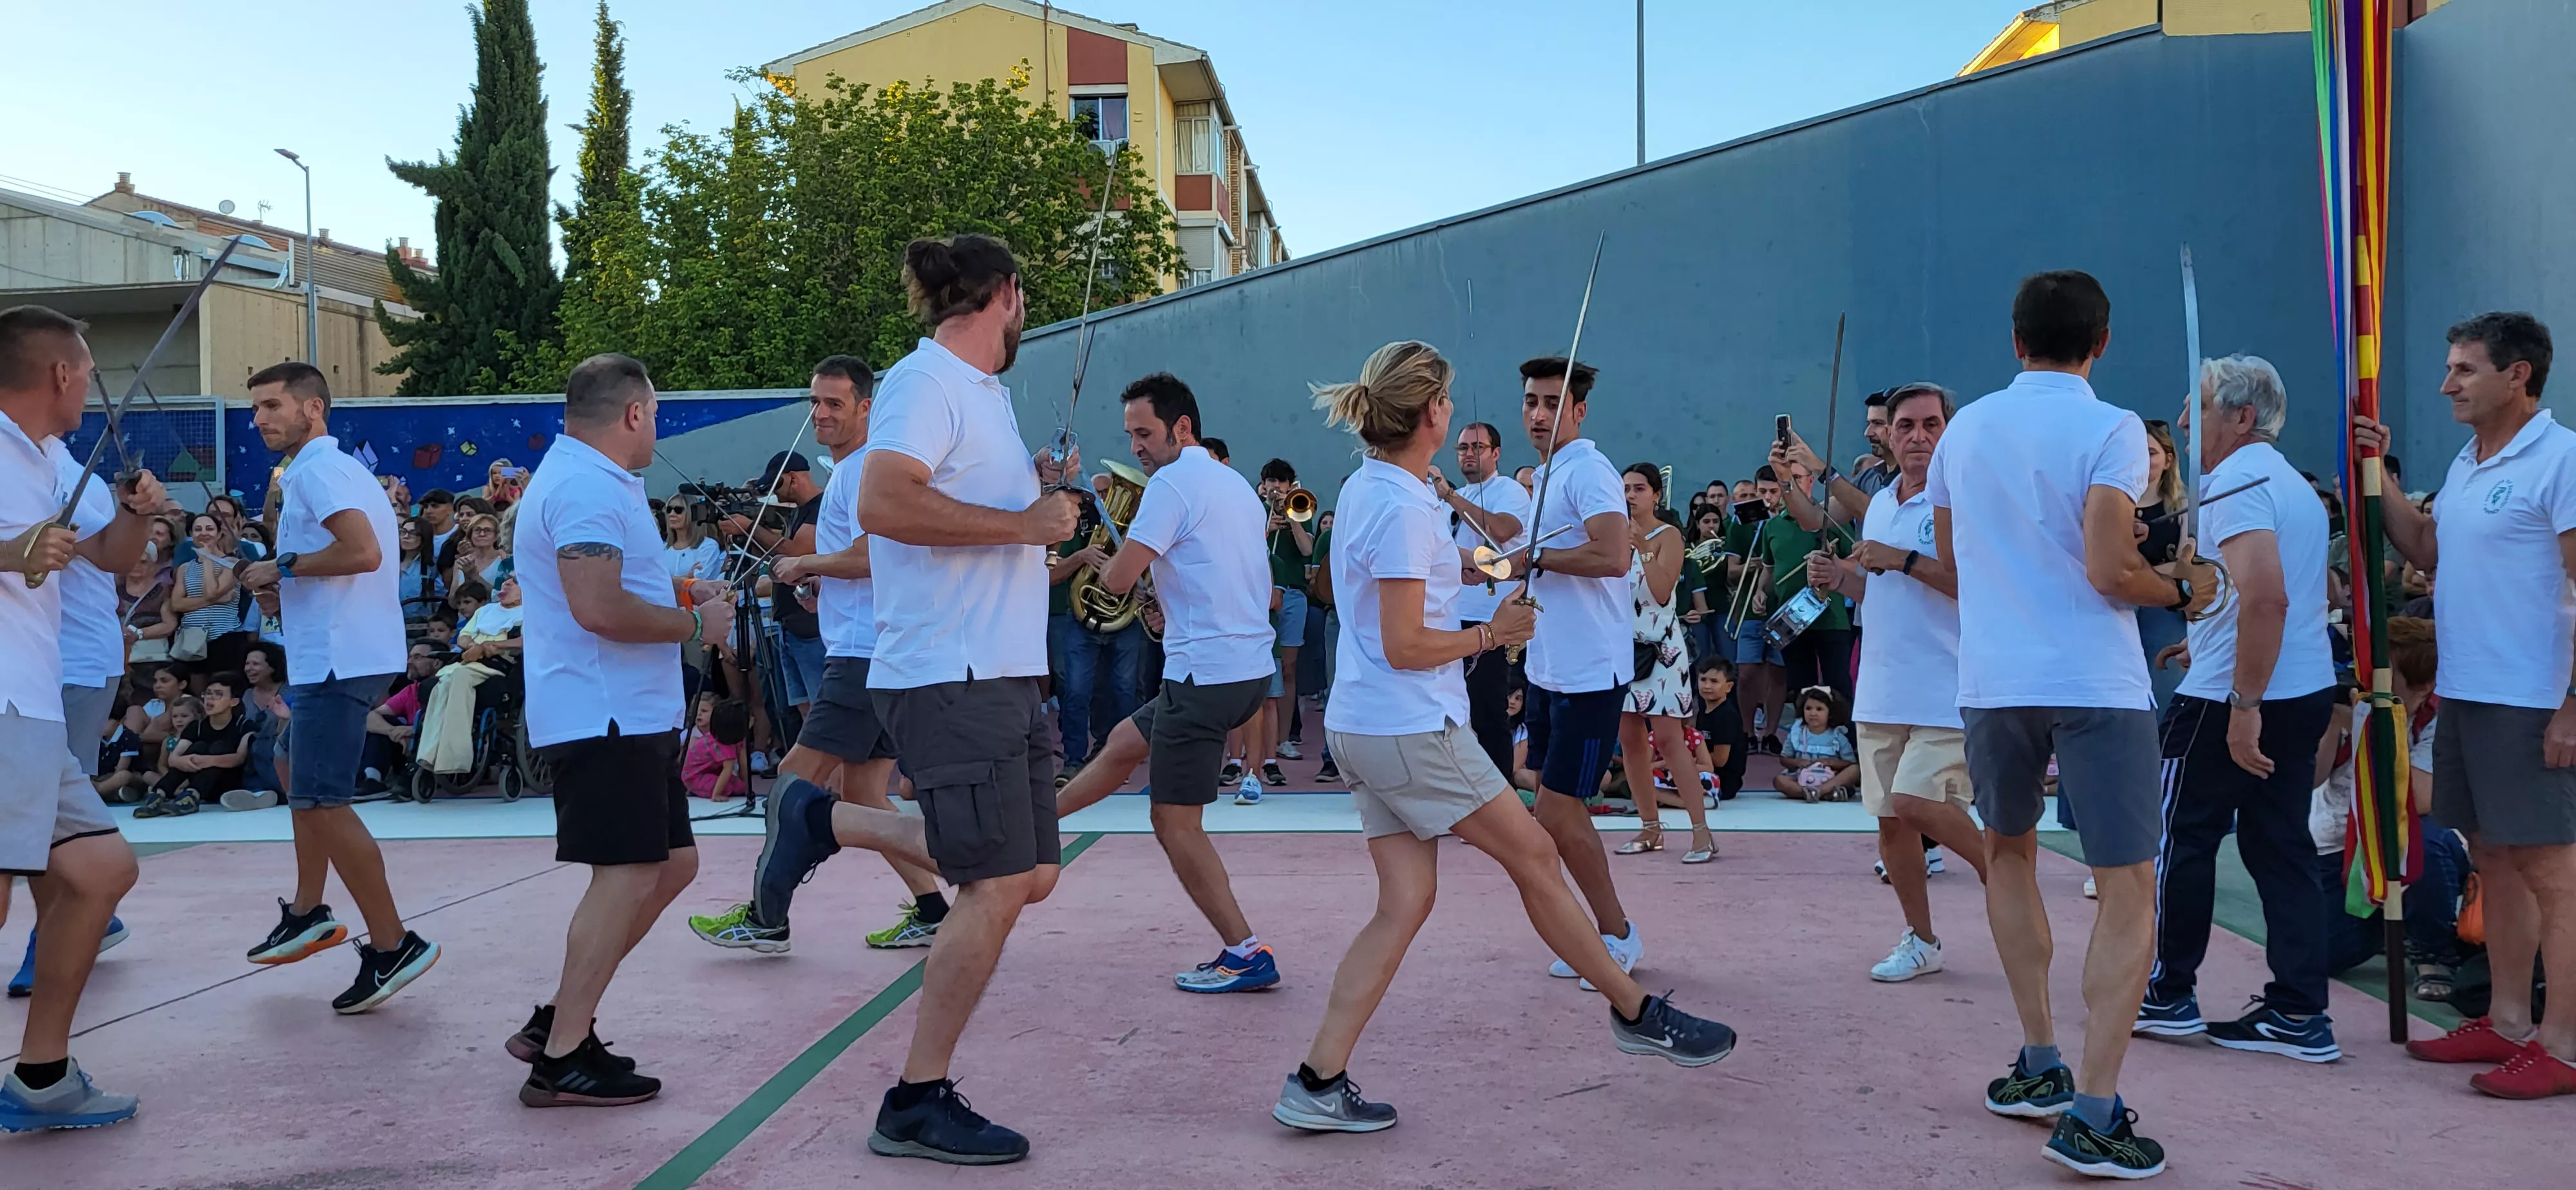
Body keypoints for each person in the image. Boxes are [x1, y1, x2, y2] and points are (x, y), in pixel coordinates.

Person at [1273, 339, 1735, 1134]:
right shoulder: (1398, 502)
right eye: (1448, 399)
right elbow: (1402, 643)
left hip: (1367, 728)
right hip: (1411, 726)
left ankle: (1317, 1079)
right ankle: (1634, 1012)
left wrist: (1499, 568)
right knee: (1533, 854)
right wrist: (1494, 633)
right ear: (1431, 413)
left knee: (1405, 903)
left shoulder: (1375, 488)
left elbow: (1432, 573)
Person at [729, 236, 1074, 1163]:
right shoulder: (925, 383)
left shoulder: (981, 396)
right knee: (997, 882)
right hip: (950, 673)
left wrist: (1032, 516)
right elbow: (884, 504)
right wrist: (1022, 523)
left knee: (1031, 874)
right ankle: (917, 1099)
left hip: (998, 668)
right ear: (1007, 293)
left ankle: (826, 821)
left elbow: (951, 512)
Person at [1928, 270, 2215, 1178]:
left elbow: (1950, 553)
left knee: (2009, 853)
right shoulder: (2112, 428)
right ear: (2102, 342)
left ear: (2017, 341)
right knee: (2128, 886)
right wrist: (2183, 588)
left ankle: (2039, 1062)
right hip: (2093, 679)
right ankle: (2092, 1110)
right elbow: (2107, 569)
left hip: (1993, 675)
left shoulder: (1964, 426)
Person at [2356, 311, 2576, 1098]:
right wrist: (2376, 469)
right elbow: (2425, 551)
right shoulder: (2468, 460)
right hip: (2468, 693)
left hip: (2531, 698)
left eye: (2463, 370)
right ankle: (2509, 1021)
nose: (2446, 383)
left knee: (2554, 872)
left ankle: (2566, 1047)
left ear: (2518, 376)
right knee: (2493, 860)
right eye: (2448, 367)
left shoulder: (2561, 458)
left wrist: (2572, 707)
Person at [507, 352, 732, 1108]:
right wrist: (697, 621)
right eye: (657, 414)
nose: (656, 427)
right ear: (635, 413)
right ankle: (565, 1053)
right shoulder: (583, 488)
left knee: (670, 865)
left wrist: (675, 592)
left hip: (627, 712)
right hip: (602, 713)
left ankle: (559, 1021)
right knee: (630, 873)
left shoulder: (592, 481)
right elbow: (597, 608)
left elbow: (610, 588)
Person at [691, 354, 951, 954]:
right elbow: (867, 567)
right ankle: (935, 904)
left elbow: (874, 556)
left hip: (861, 657)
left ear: (866, 407)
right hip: (869, 650)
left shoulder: (865, 472)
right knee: (863, 795)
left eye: (835, 403)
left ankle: (766, 916)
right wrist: (819, 582)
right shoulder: (851, 474)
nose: (821, 414)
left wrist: (806, 564)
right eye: (815, 402)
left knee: (790, 782)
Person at [2132, 355, 2342, 1061]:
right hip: (2295, 687)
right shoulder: (2292, 487)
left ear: (2241, 417)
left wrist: (2242, 699)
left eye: (2198, 407)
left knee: (2179, 839)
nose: (2187, 423)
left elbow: (2268, 597)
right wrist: (2208, 644)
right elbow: (2267, 597)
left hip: (2237, 700)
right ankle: (2298, 1010)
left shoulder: (2238, 484)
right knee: (2279, 845)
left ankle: (2168, 991)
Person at [1053, 372, 1282, 992]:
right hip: (1243, 671)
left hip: (1204, 675)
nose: (1137, 449)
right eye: (1130, 435)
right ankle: (1039, 832)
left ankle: (1244, 950)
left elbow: (1120, 579)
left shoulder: (1172, 483)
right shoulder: (1232, 482)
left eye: (1145, 434)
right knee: (1124, 745)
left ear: (1182, 428)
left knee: (1173, 823)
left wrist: (1093, 551)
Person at [227, 363, 440, 1011]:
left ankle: (392, 942)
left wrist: (280, 565)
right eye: (256, 408)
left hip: (337, 658)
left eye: (271, 406)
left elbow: (363, 553)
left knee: (321, 799)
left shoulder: (317, 471)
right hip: (340, 649)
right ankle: (307, 908)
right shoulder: (328, 470)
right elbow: (346, 559)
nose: (259, 419)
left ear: (312, 408)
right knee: (298, 771)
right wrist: (282, 586)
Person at [0, 305, 143, 1132]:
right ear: (60, 373)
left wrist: (137, 512)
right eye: (87, 369)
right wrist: (13, 549)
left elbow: (111, 556)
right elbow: (16, 546)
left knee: (98, 873)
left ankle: (43, 1076)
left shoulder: (43, 456)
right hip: (5, 705)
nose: (91, 382)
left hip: (31, 703)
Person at [1806, 381, 1991, 981]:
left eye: (1931, 424)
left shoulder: (1964, 499)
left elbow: (1974, 587)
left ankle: (2004, 870)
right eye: (1905, 425)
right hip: (1883, 688)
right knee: (1891, 824)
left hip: (1947, 686)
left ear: (1949, 430)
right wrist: (1842, 578)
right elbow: (1880, 590)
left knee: (1917, 801)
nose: (1918, 436)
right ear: (1887, 433)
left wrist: (1903, 559)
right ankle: (1922, 939)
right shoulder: (1883, 502)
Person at [1515, 355, 1648, 987]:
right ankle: (1595, 932)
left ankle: (1617, 936)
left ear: (1578, 410)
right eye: (1530, 402)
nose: (1538, 414)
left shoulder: (1589, 470)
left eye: (1551, 403)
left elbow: (1614, 555)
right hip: (1548, 669)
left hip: (1590, 675)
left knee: (1562, 813)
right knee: (1548, 812)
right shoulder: (1546, 475)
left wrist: (1535, 557)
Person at [1612, 462, 1715, 864]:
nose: (1631, 495)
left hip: (1662, 651)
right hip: (1624, 649)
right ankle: (1650, 827)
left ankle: (1702, 831)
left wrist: (1641, 547)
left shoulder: (1668, 535)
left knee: (1670, 740)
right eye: (1625, 488)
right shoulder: (1612, 536)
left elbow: (1659, 590)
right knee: (1631, 741)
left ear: (1656, 494)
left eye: (1639, 488)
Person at [1430, 419, 1529, 788]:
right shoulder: (1441, 503)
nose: (1468, 455)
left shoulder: (1509, 490)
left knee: (1490, 713)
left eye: (1477, 448)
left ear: (1496, 453)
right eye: (1462, 448)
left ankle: (1500, 794)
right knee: (1450, 715)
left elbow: (1502, 531)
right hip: (1448, 617)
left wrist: (1452, 496)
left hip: (1490, 618)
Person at [1258, 458, 1315, 773]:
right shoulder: (1254, 509)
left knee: (1289, 669)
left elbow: (1307, 550)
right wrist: (1267, 526)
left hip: (1292, 594)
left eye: (1281, 483)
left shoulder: (1301, 508)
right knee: (1262, 665)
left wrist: (1292, 518)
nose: (1275, 488)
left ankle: (1283, 738)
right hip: (1259, 595)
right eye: (1271, 482)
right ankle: (1256, 742)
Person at [137, 669, 254, 817]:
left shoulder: (244, 725)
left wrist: (208, 760)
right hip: (197, 776)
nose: (210, 700)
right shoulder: (196, 726)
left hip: (228, 783)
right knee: (199, 747)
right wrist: (184, 760)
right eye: (208, 694)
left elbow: (239, 758)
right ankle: (159, 794)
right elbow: (174, 758)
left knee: (220, 746)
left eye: (218, 694)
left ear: (234, 701)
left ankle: (191, 796)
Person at [2134, 419, 2190, 707]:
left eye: (2151, 452)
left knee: (2164, 689)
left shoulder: (2181, 506)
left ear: (2168, 459)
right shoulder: (2113, 502)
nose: (2143, 460)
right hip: (2118, 606)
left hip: (2164, 607)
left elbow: (2186, 562)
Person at [1773, 686, 1859, 801]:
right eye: (1808, 708)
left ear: (1831, 713)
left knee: (1855, 770)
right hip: (1802, 778)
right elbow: (1784, 759)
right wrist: (1798, 762)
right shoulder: (1796, 733)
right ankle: (1809, 792)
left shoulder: (1838, 736)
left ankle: (1821, 791)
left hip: (1830, 778)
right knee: (1779, 780)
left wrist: (1830, 763)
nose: (1813, 713)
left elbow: (1849, 762)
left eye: (1819, 709)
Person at [1692, 658, 1747, 800]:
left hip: (1723, 781)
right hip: (1705, 773)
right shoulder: (1703, 713)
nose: (1707, 686)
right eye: (1703, 680)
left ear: (1728, 687)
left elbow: (1720, 760)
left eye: (1714, 681)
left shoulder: (1726, 716)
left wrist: (1686, 760)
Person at [681, 695, 750, 802]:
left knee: (739, 787)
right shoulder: (722, 742)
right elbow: (728, 769)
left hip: (713, 773)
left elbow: (743, 763)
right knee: (727, 788)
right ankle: (695, 789)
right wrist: (716, 795)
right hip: (694, 777)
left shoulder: (737, 738)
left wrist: (747, 786)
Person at [660, 499, 722, 583]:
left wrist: (666, 580)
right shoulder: (662, 548)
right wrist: (684, 578)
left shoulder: (708, 546)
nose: (672, 514)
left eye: (679, 510)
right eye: (669, 510)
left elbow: (697, 580)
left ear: (693, 514)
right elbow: (652, 579)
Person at [395, 516, 443, 623]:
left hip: (421, 623)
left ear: (424, 538)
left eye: (412, 533)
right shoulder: (390, 561)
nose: (406, 536)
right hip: (392, 620)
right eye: (403, 532)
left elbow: (439, 593)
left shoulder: (431, 565)